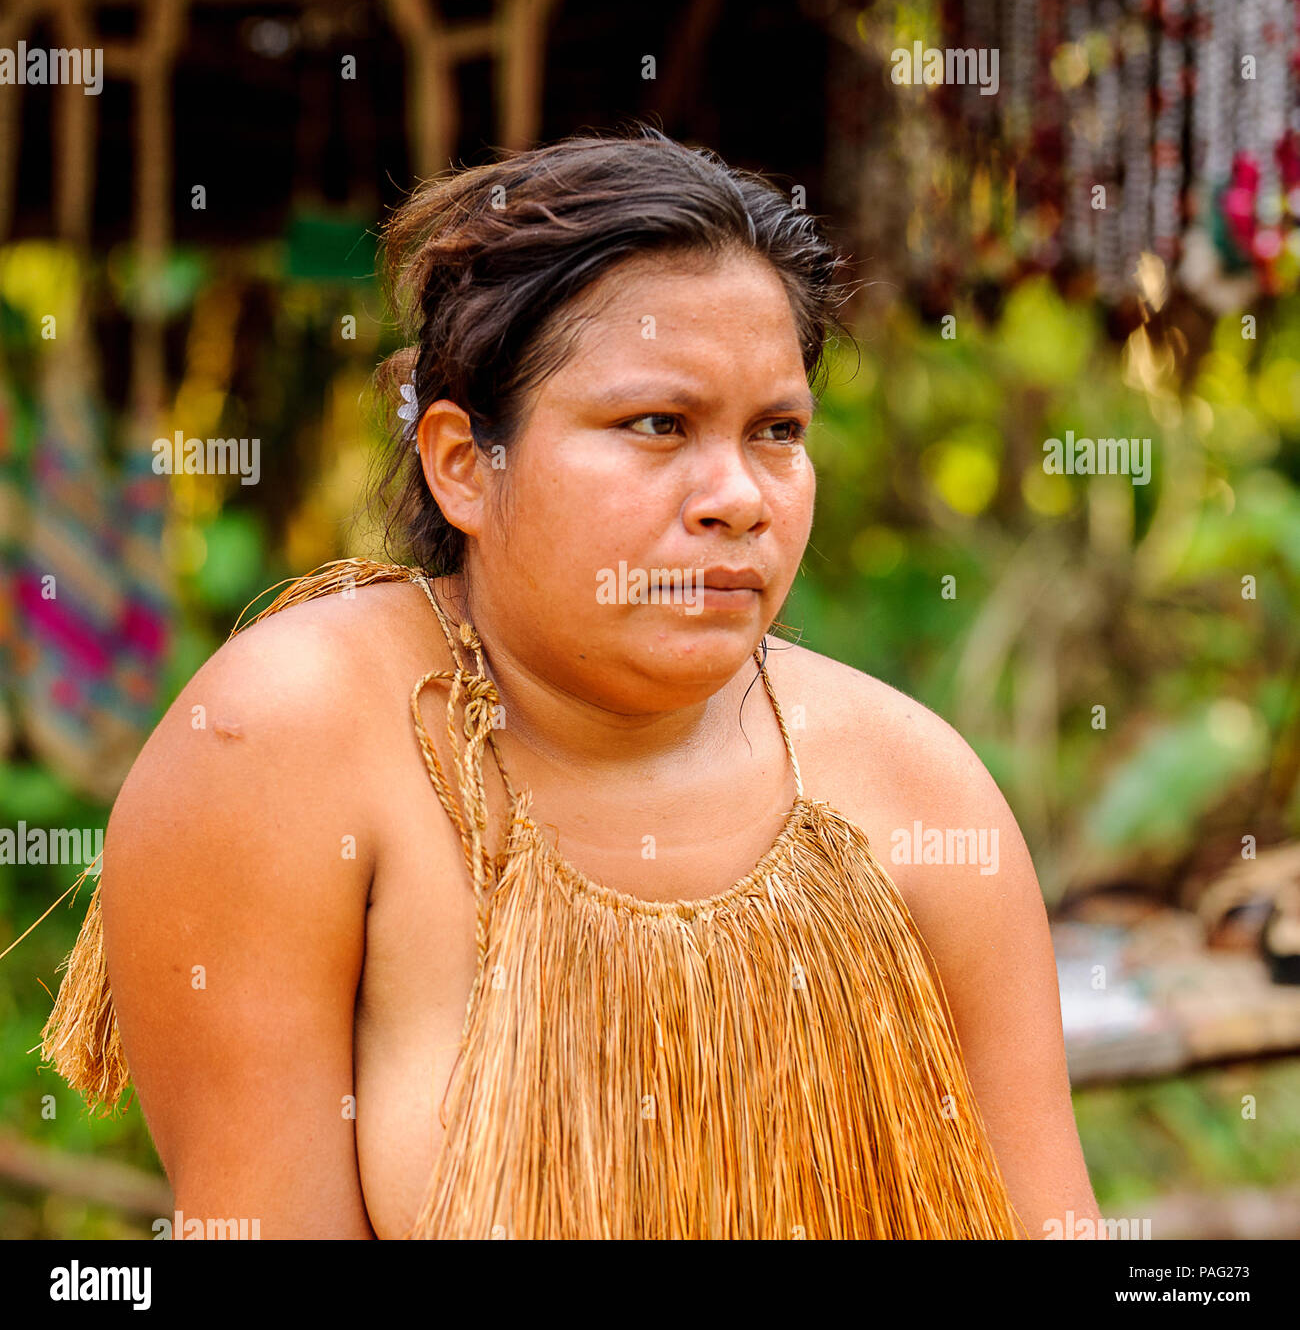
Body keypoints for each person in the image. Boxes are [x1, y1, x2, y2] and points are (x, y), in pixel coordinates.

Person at [44, 126, 1099, 1239]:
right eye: (657, 423)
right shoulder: (287, 741)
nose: (738, 495)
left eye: (776, 431)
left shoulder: (914, 787)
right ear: (464, 465)